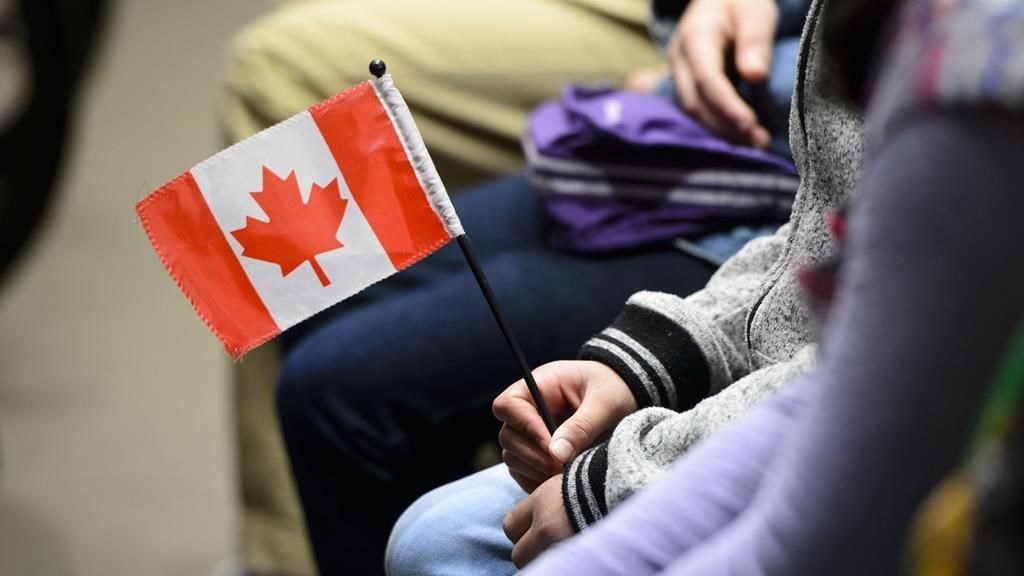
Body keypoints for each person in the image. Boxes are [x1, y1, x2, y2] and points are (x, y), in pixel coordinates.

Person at [390, 0, 1024, 575]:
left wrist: (619, 482)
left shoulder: (977, 72)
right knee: (426, 531)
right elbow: (823, 234)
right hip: (783, 371)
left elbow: (866, 385)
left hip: (889, 455)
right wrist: (646, 363)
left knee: (405, 474)